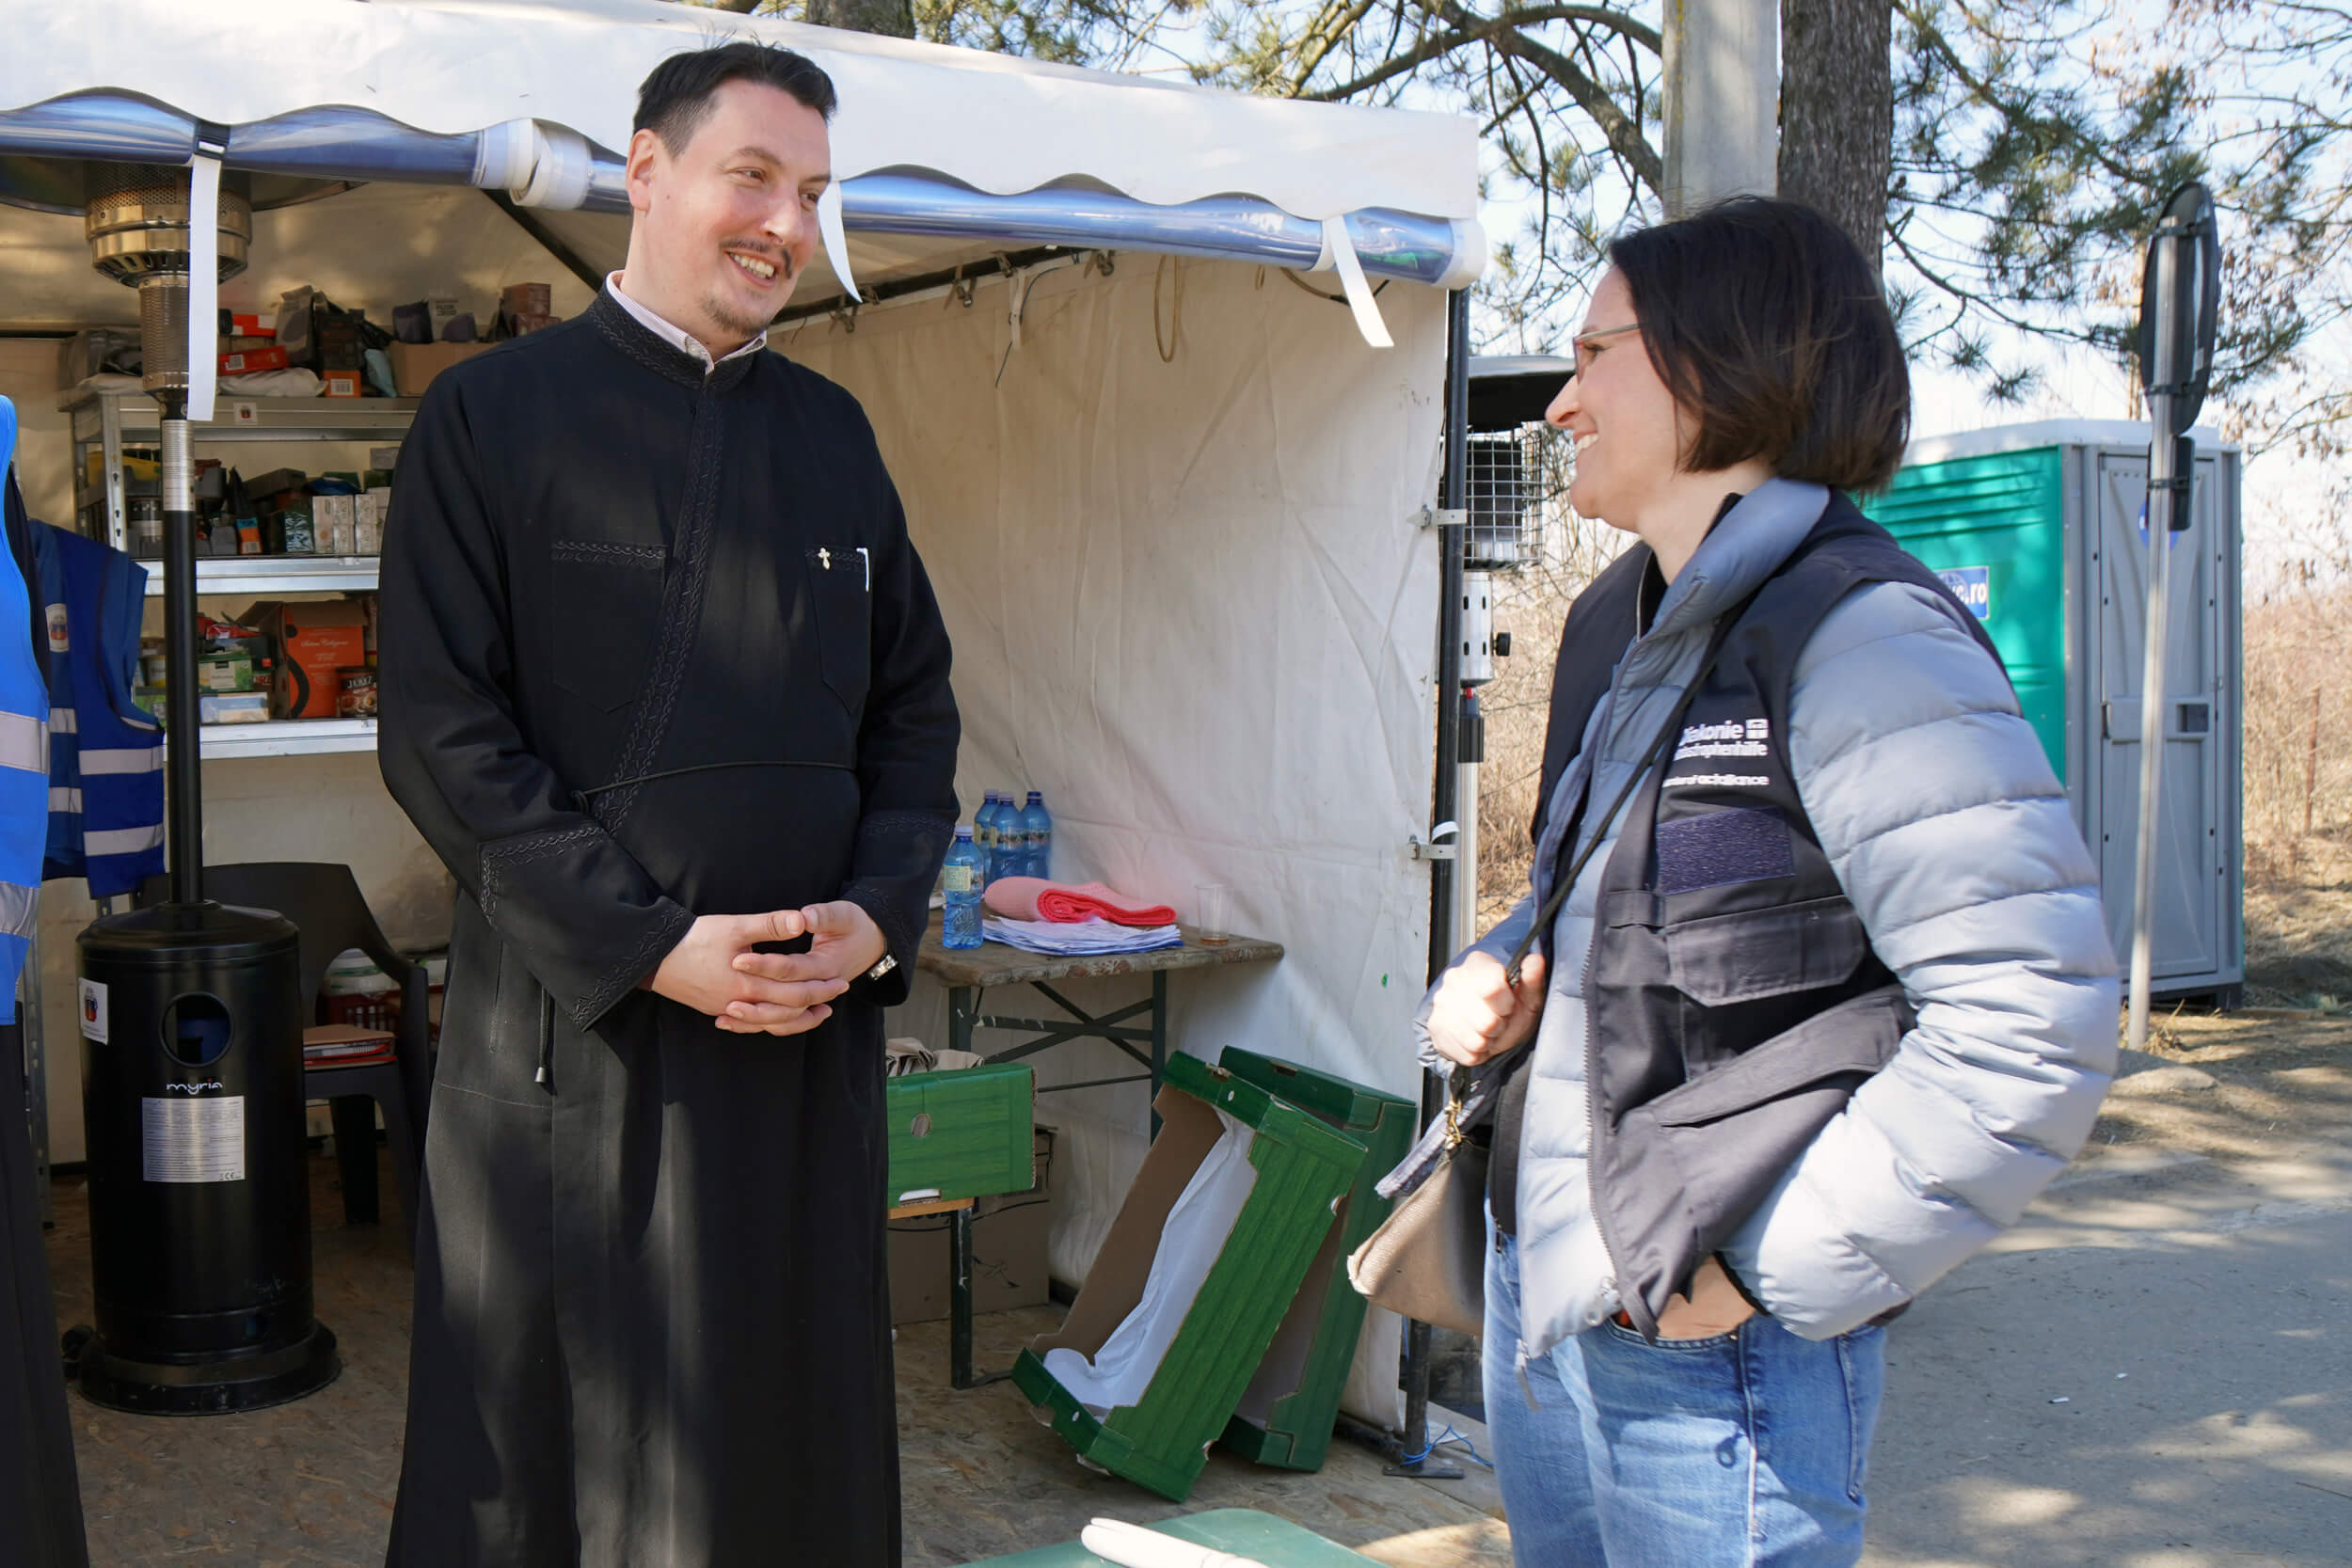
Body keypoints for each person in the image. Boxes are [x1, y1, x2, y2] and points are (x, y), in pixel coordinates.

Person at [1417, 197, 2117, 1565]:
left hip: (1710, 1344)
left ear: (1714, 364)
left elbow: (2035, 1022)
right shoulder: (1619, 616)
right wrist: (1502, 966)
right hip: (1547, 1295)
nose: (1560, 403)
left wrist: (1761, 1270)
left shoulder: (1860, 636)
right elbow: (1618, 896)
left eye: (1591, 354)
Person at [375, 42, 960, 1568]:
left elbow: (917, 711)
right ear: (646, 172)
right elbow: (441, 735)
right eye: (752, 177)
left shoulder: (834, 439)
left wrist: (879, 915)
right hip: (582, 1067)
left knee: (795, 1457)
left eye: (813, 193)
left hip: (803, 1062)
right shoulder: (490, 421)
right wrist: (647, 946)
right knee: (563, 1475)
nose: (786, 223)